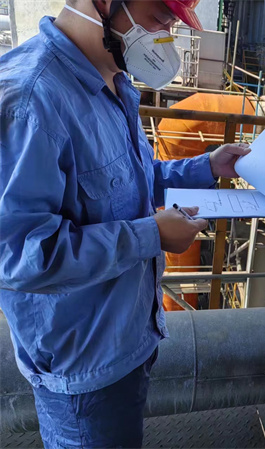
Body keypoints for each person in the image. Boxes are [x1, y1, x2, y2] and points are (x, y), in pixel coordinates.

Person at [0, 1, 249, 446]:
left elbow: (132, 182)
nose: (164, 37)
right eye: (159, 19)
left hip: (128, 341)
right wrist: (152, 234)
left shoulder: (113, 79)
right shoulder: (30, 102)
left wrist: (207, 166)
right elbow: (20, 257)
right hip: (83, 372)